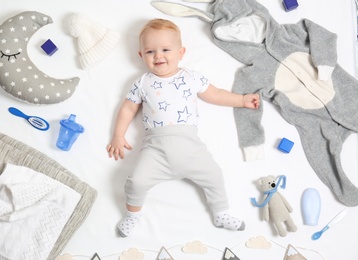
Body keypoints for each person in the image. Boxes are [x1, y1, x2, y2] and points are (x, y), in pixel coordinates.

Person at [107, 18, 260, 237]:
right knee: (136, 182)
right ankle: (133, 215)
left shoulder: (190, 77)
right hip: (155, 151)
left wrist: (241, 100)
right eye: (150, 52)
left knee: (215, 175)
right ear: (141, 56)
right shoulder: (143, 83)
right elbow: (127, 109)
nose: (158, 56)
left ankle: (221, 212)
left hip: (191, 147)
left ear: (181, 52)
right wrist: (118, 136)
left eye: (166, 49)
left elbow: (216, 94)